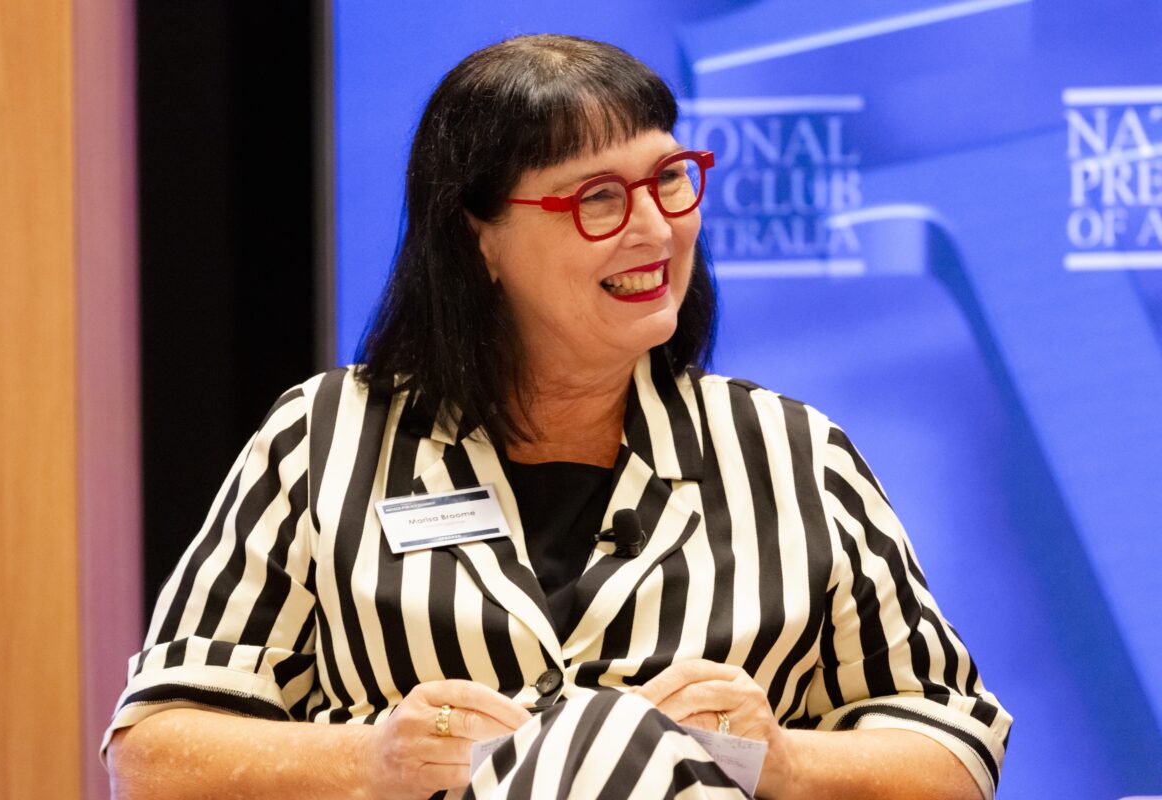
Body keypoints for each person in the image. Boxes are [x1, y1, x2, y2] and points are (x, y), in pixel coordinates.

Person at [104, 34, 1011, 800]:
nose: (654, 228)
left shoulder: (790, 452)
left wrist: (786, 760)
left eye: (670, 179)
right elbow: (153, 753)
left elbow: (955, 750)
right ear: (479, 239)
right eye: (598, 198)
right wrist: (370, 759)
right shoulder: (326, 437)